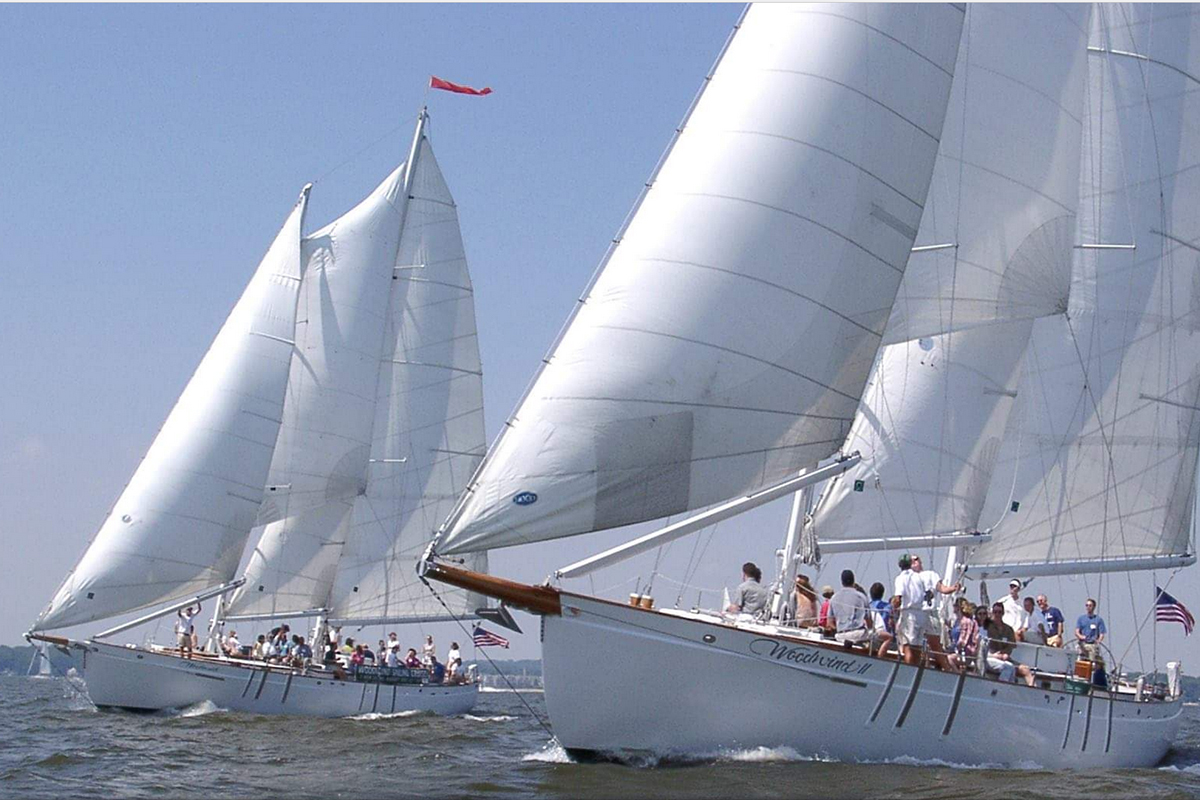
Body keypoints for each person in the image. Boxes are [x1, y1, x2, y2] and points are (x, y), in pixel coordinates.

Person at [910, 554, 961, 669]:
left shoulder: (930, 575)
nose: (913, 562)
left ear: (920, 562)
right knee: (914, 643)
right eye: (911, 561)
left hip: (930, 612)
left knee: (935, 644)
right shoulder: (908, 578)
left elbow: (942, 588)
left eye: (916, 559)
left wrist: (953, 588)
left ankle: (947, 669)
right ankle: (918, 666)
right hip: (916, 613)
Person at [983, 602, 1034, 687]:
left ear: (1003, 613)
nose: (997, 614)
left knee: (1026, 669)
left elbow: (1011, 645)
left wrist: (1005, 653)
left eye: (999, 612)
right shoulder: (987, 627)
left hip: (1005, 657)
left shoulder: (1008, 629)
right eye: (995, 612)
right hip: (991, 656)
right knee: (1009, 667)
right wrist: (994, 655)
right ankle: (1002, 688)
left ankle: (1033, 691)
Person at [893, 555, 926, 665]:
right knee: (917, 648)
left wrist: (893, 608)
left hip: (909, 614)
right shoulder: (919, 577)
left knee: (907, 647)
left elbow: (898, 598)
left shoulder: (900, 578)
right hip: (921, 614)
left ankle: (908, 672)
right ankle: (916, 671)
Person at [827, 569, 871, 646]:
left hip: (841, 636)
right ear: (853, 581)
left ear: (842, 582)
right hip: (858, 635)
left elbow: (829, 623)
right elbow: (869, 621)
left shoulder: (833, 598)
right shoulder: (861, 596)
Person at [946, 602, 979, 672]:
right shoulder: (957, 621)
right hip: (956, 651)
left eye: (955, 605)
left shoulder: (966, 621)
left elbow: (964, 640)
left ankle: (957, 675)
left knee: (948, 659)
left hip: (965, 653)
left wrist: (956, 647)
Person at [867, 582, 894, 657]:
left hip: (870, 635)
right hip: (885, 638)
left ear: (871, 594)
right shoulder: (889, 607)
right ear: (882, 594)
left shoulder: (868, 607)